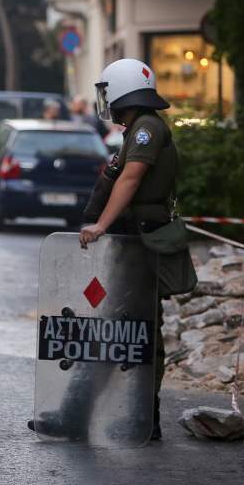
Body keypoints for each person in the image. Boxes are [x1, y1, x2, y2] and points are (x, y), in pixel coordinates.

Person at [79, 57, 176, 440]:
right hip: (135, 238)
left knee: (133, 328)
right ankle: (123, 415)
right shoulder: (137, 128)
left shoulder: (146, 129)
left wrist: (101, 224)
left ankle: (136, 416)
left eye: (109, 93)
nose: (107, 102)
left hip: (142, 240)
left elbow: (131, 179)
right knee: (127, 326)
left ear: (123, 91)